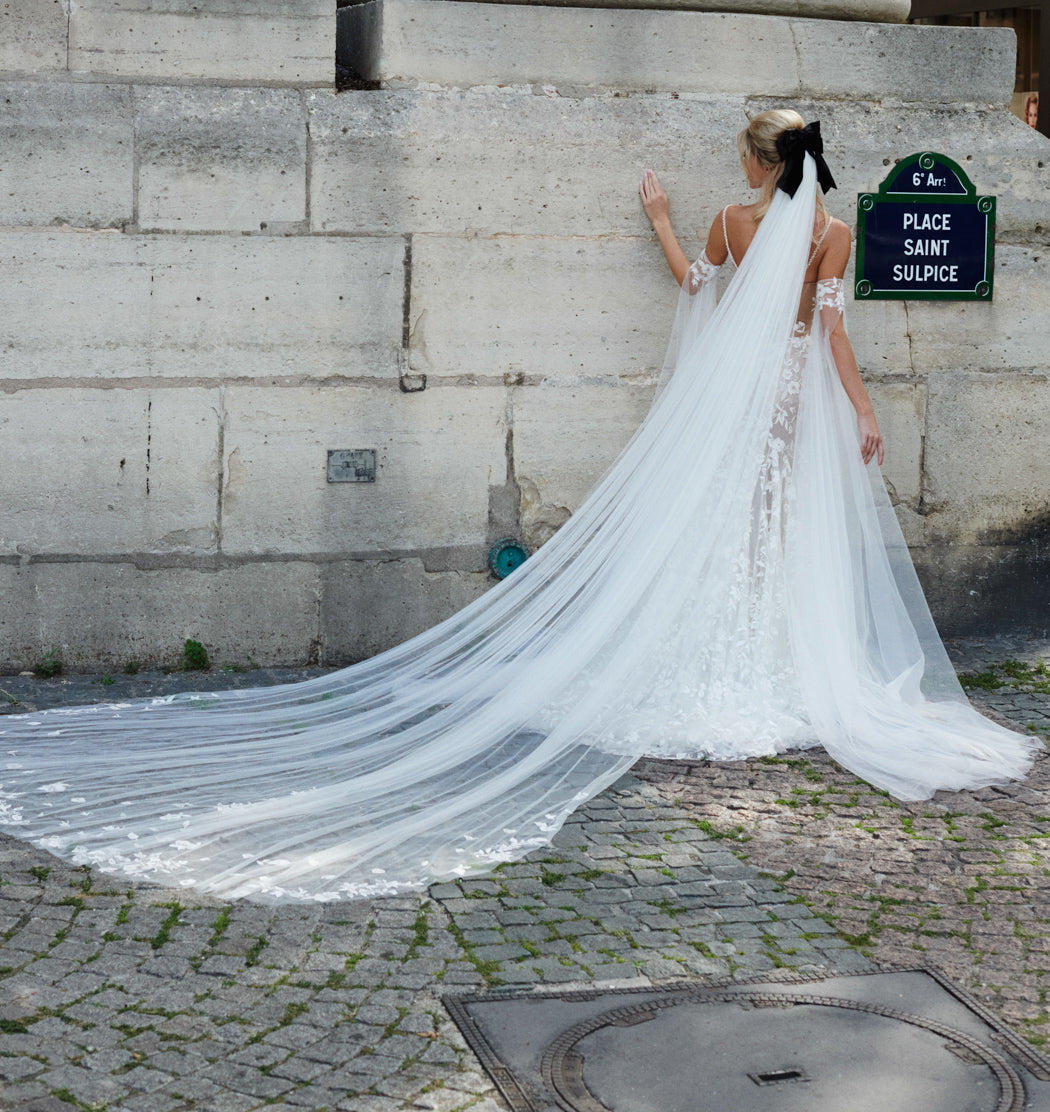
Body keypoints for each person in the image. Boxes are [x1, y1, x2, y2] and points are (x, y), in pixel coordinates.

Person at [0, 114, 1038, 904]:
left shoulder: (731, 221)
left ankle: (728, 654)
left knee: (723, 528)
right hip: (790, 400)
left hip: (735, 399)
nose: (743, 174)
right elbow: (832, 337)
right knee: (778, 532)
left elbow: (694, 291)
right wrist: (859, 414)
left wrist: (662, 222)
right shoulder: (834, 231)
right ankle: (777, 659)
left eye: (745, 158)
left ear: (760, 166)